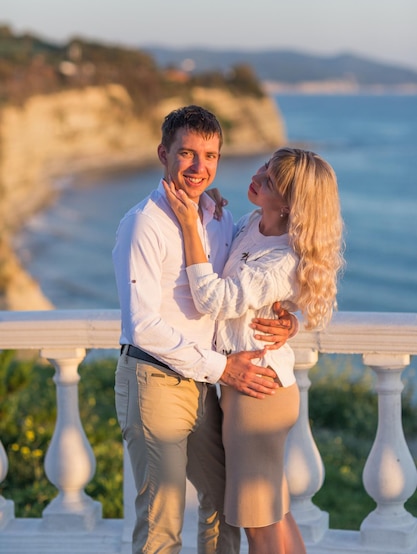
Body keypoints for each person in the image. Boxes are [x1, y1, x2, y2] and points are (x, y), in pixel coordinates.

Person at [112, 105, 298, 554]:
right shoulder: (144, 224)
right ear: (163, 153)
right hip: (156, 379)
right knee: (163, 519)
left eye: (210, 156)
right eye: (187, 154)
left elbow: (252, 276)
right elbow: (143, 326)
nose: (199, 168)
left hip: (203, 382)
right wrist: (223, 369)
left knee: (221, 503)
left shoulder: (217, 219)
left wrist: (294, 318)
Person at [164, 147, 345, 554]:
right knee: (273, 512)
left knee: (257, 521)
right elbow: (233, 259)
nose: (257, 176)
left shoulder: (282, 258)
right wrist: (210, 207)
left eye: (270, 180)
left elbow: (215, 299)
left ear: (288, 203)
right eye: (264, 167)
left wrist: (190, 228)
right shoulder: (252, 225)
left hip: (257, 397)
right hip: (252, 391)